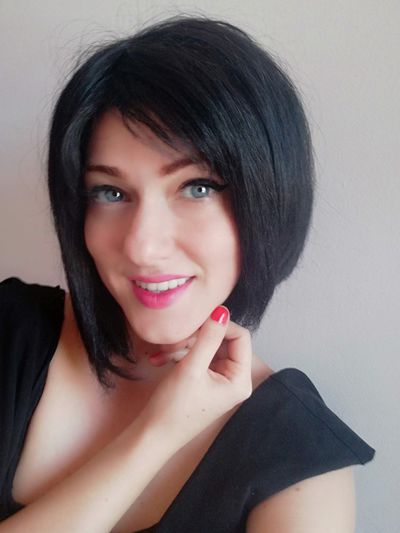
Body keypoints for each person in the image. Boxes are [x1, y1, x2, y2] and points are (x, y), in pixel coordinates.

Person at [0, 15, 374, 532]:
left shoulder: (302, 464)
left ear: (268, 198)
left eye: (197, 187)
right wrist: (157, 433)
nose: (142, 245)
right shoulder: (11, 328)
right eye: (111, 192)